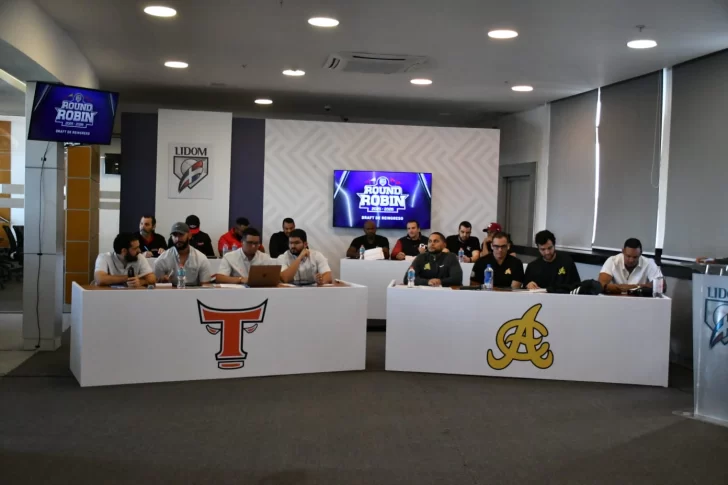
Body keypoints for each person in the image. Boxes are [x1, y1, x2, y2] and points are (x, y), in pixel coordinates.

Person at [155, 222, 212, 286]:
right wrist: (162, 282)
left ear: (189, 236)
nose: (177, 239)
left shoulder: (201, 259)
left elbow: (205, 287)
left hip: (195, 292)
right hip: (170, 292)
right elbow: (157, 287)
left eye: (181, 235)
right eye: (175, 235)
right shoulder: (162, 260)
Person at [599, 238, 663, 294]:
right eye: (628, 256)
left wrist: (622, 288)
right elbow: (601, 285)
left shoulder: (649, 263)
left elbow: (661, 286)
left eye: (635, 257)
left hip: (640, 300)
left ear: (640, 253)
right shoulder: (612, 261)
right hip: (616, 299)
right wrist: (640, 287)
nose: (631, 260)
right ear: (623, 251)